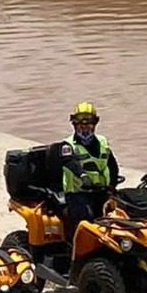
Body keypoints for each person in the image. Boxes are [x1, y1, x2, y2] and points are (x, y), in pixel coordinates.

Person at [59, 101, 119, 240]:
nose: (85, 127)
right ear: (74, 124)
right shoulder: (67, 145)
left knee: (119, 217)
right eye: (81, 123)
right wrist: (83, 175)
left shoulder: (103, 142)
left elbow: (112, 166)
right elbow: (70, 162)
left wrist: (112, 186)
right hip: (77, 194)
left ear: (95, 124)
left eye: (89, 122)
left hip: (101, 192)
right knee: (87, 221)